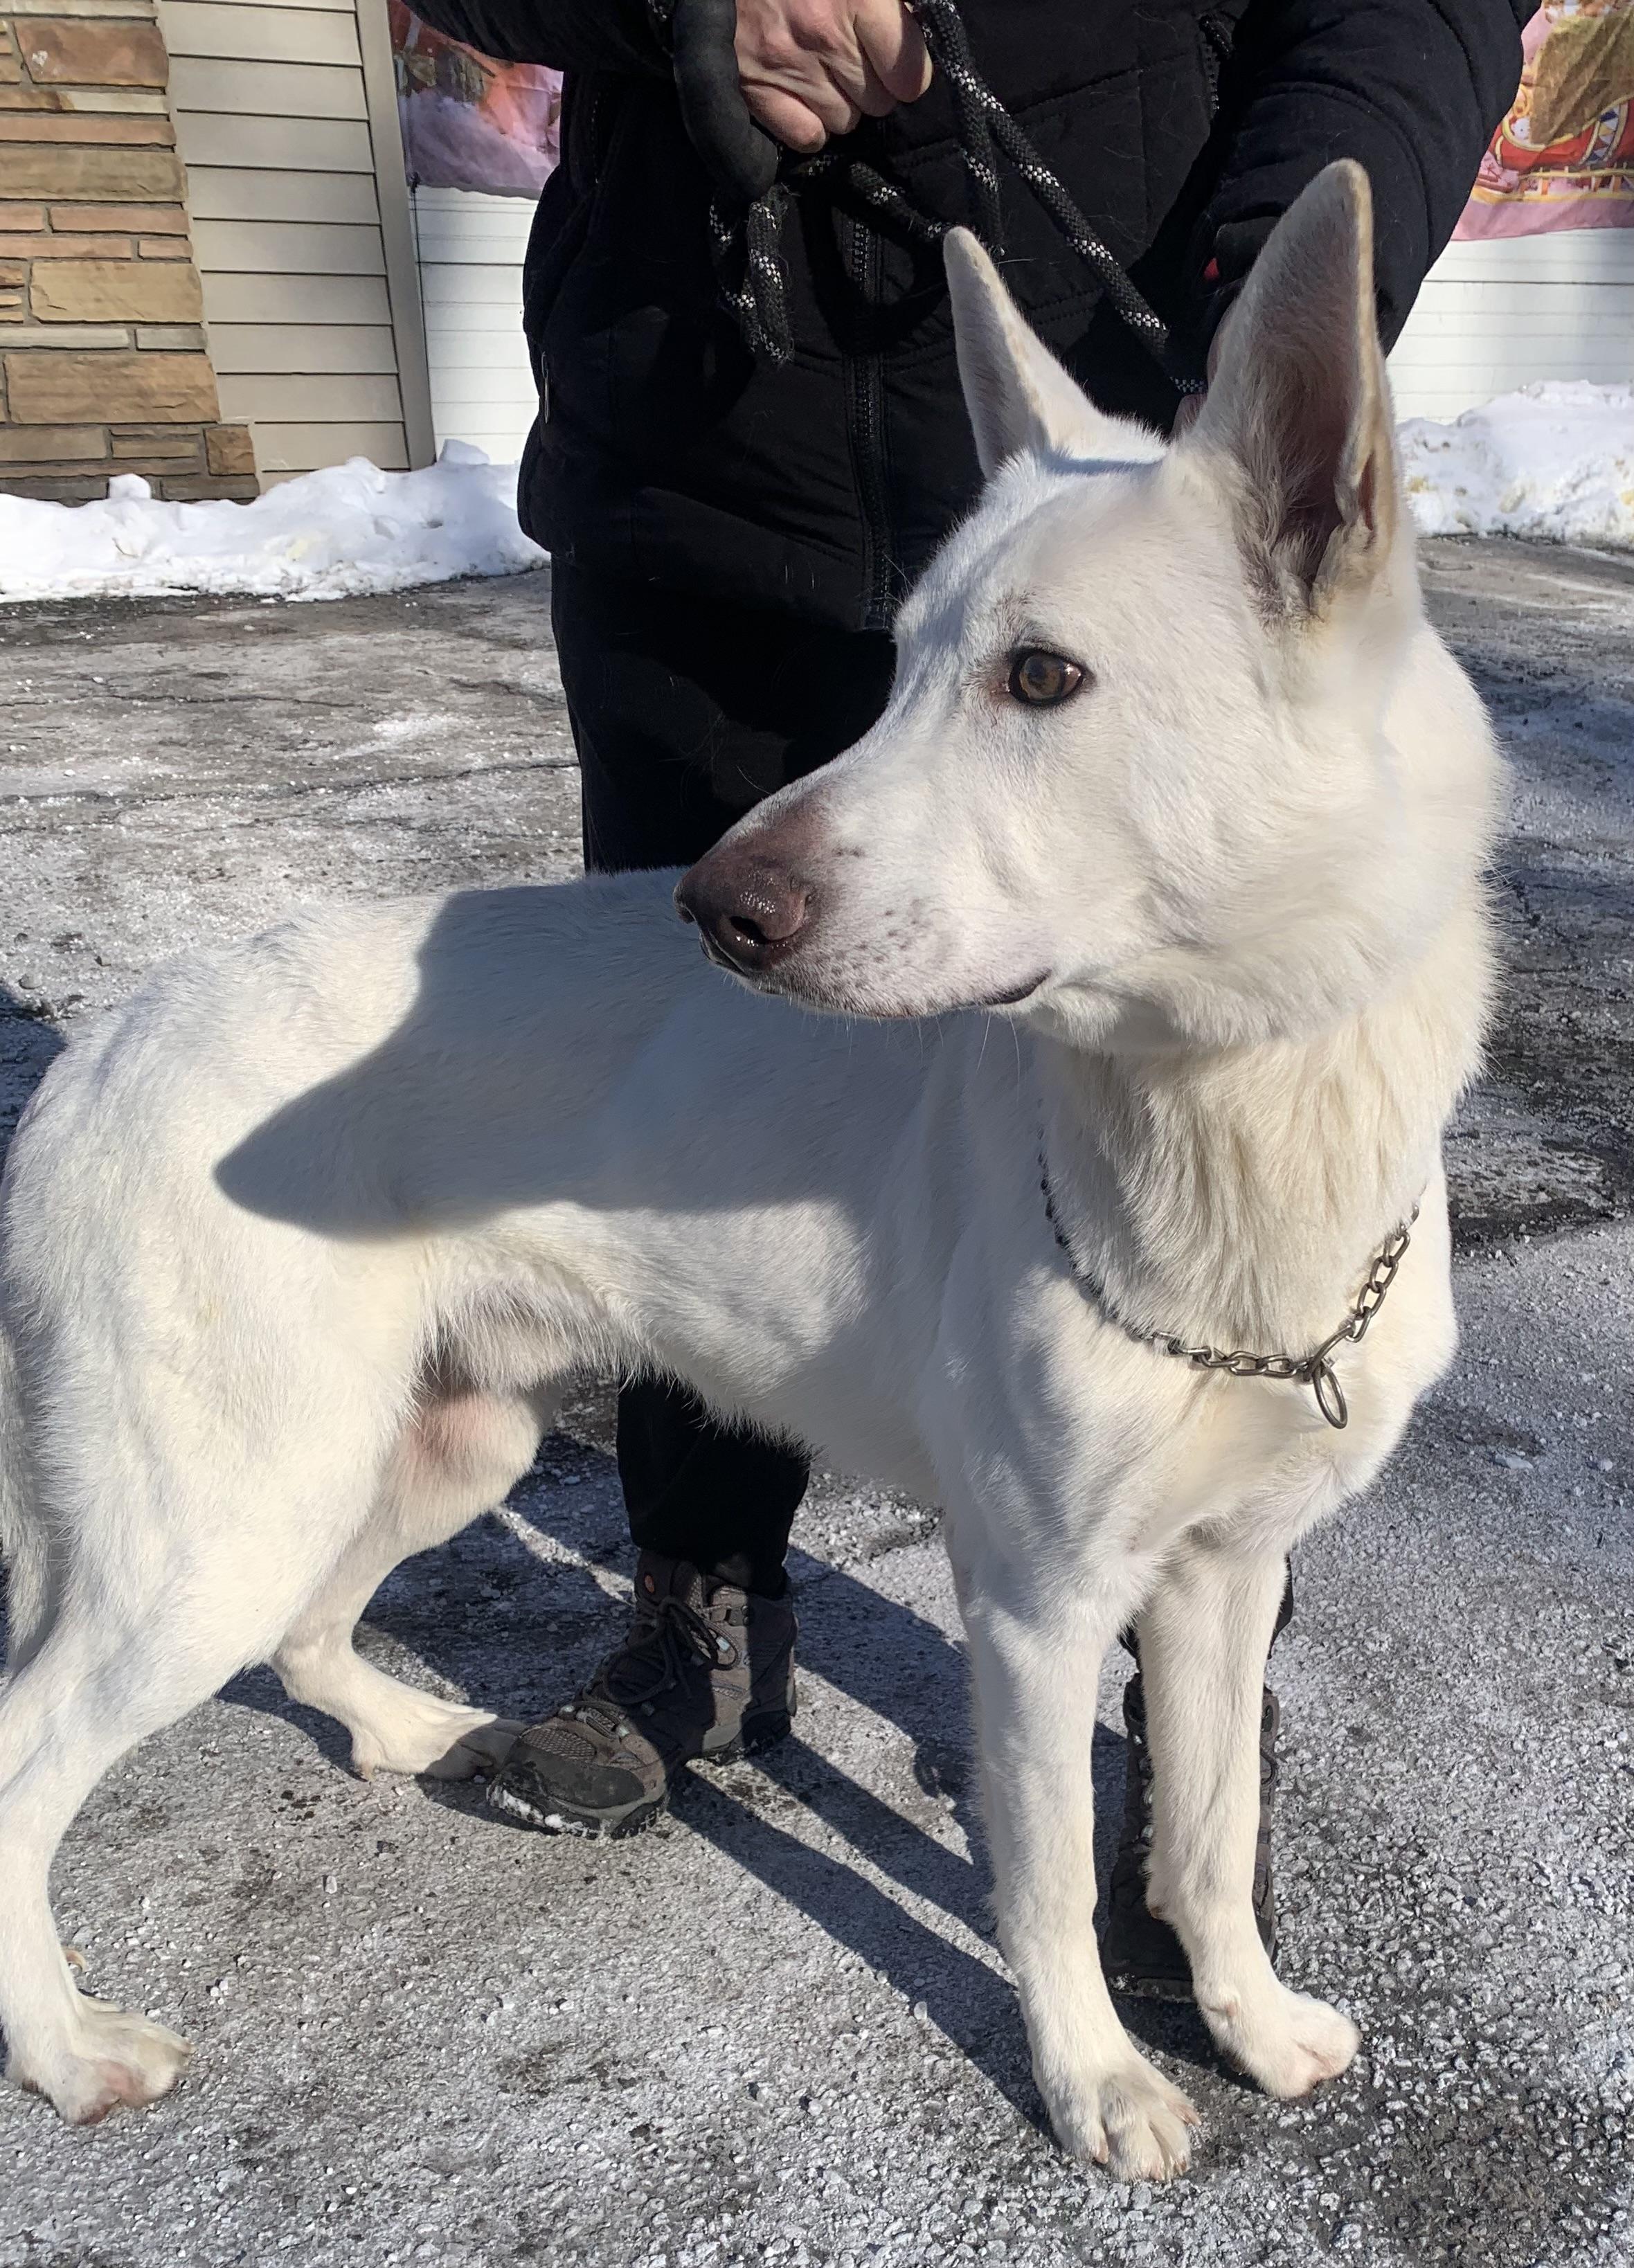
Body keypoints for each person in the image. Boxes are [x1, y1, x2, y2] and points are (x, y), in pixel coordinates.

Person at [404, 0, 1526, 1988]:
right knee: (680, 1163)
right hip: (701, 438)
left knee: (1219, 1349)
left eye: (1034, 693)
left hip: (1123, 336)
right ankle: (702, 1596)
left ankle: (1192, 1750)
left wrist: (1256, 312)